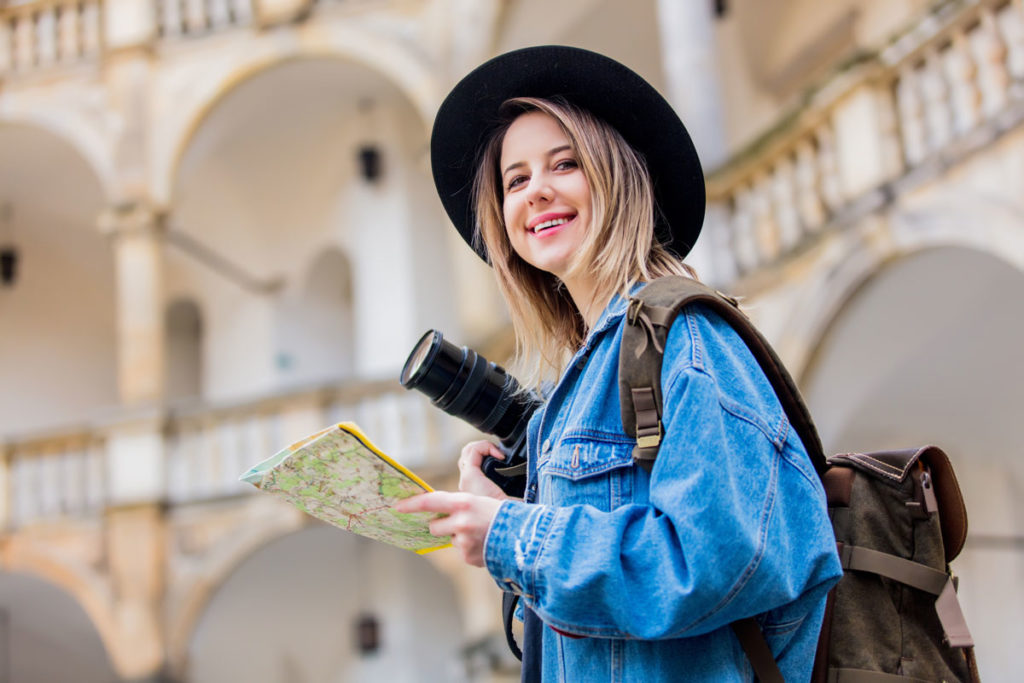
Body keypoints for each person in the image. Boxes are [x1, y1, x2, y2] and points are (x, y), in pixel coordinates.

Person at [396, 46, 842, 682]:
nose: (537, 191)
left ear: (616, 175)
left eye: (565, 164)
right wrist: (513, 509)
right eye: (515, 180)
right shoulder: (583, 378)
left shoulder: (686, 336)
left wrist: (516, 537)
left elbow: (715, 561)